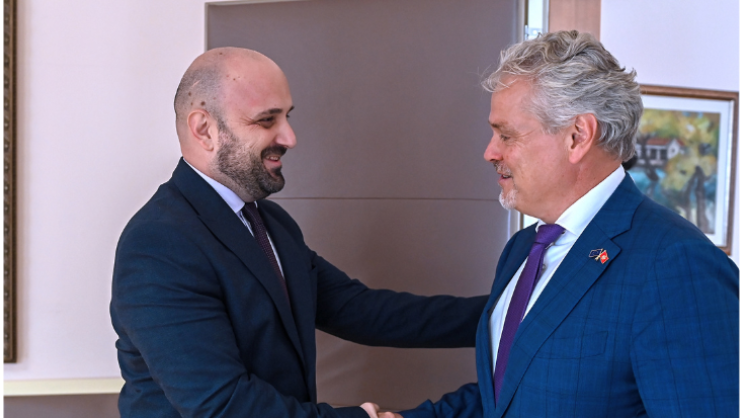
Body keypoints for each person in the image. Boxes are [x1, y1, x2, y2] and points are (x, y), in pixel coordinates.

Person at [110, 47, 487, 418]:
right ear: (205, 130)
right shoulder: (158, 244)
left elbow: (361, 310)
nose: (289, 138)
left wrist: (505, 312)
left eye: (287, 117)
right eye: (266, 120)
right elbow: (223, 404)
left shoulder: (272, 224)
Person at [381, 30, 739, 418]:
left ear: (577, 136)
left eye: (506, 135)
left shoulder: (677, 264)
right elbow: (507, 396)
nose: (490, 152)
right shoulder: (522, 249)